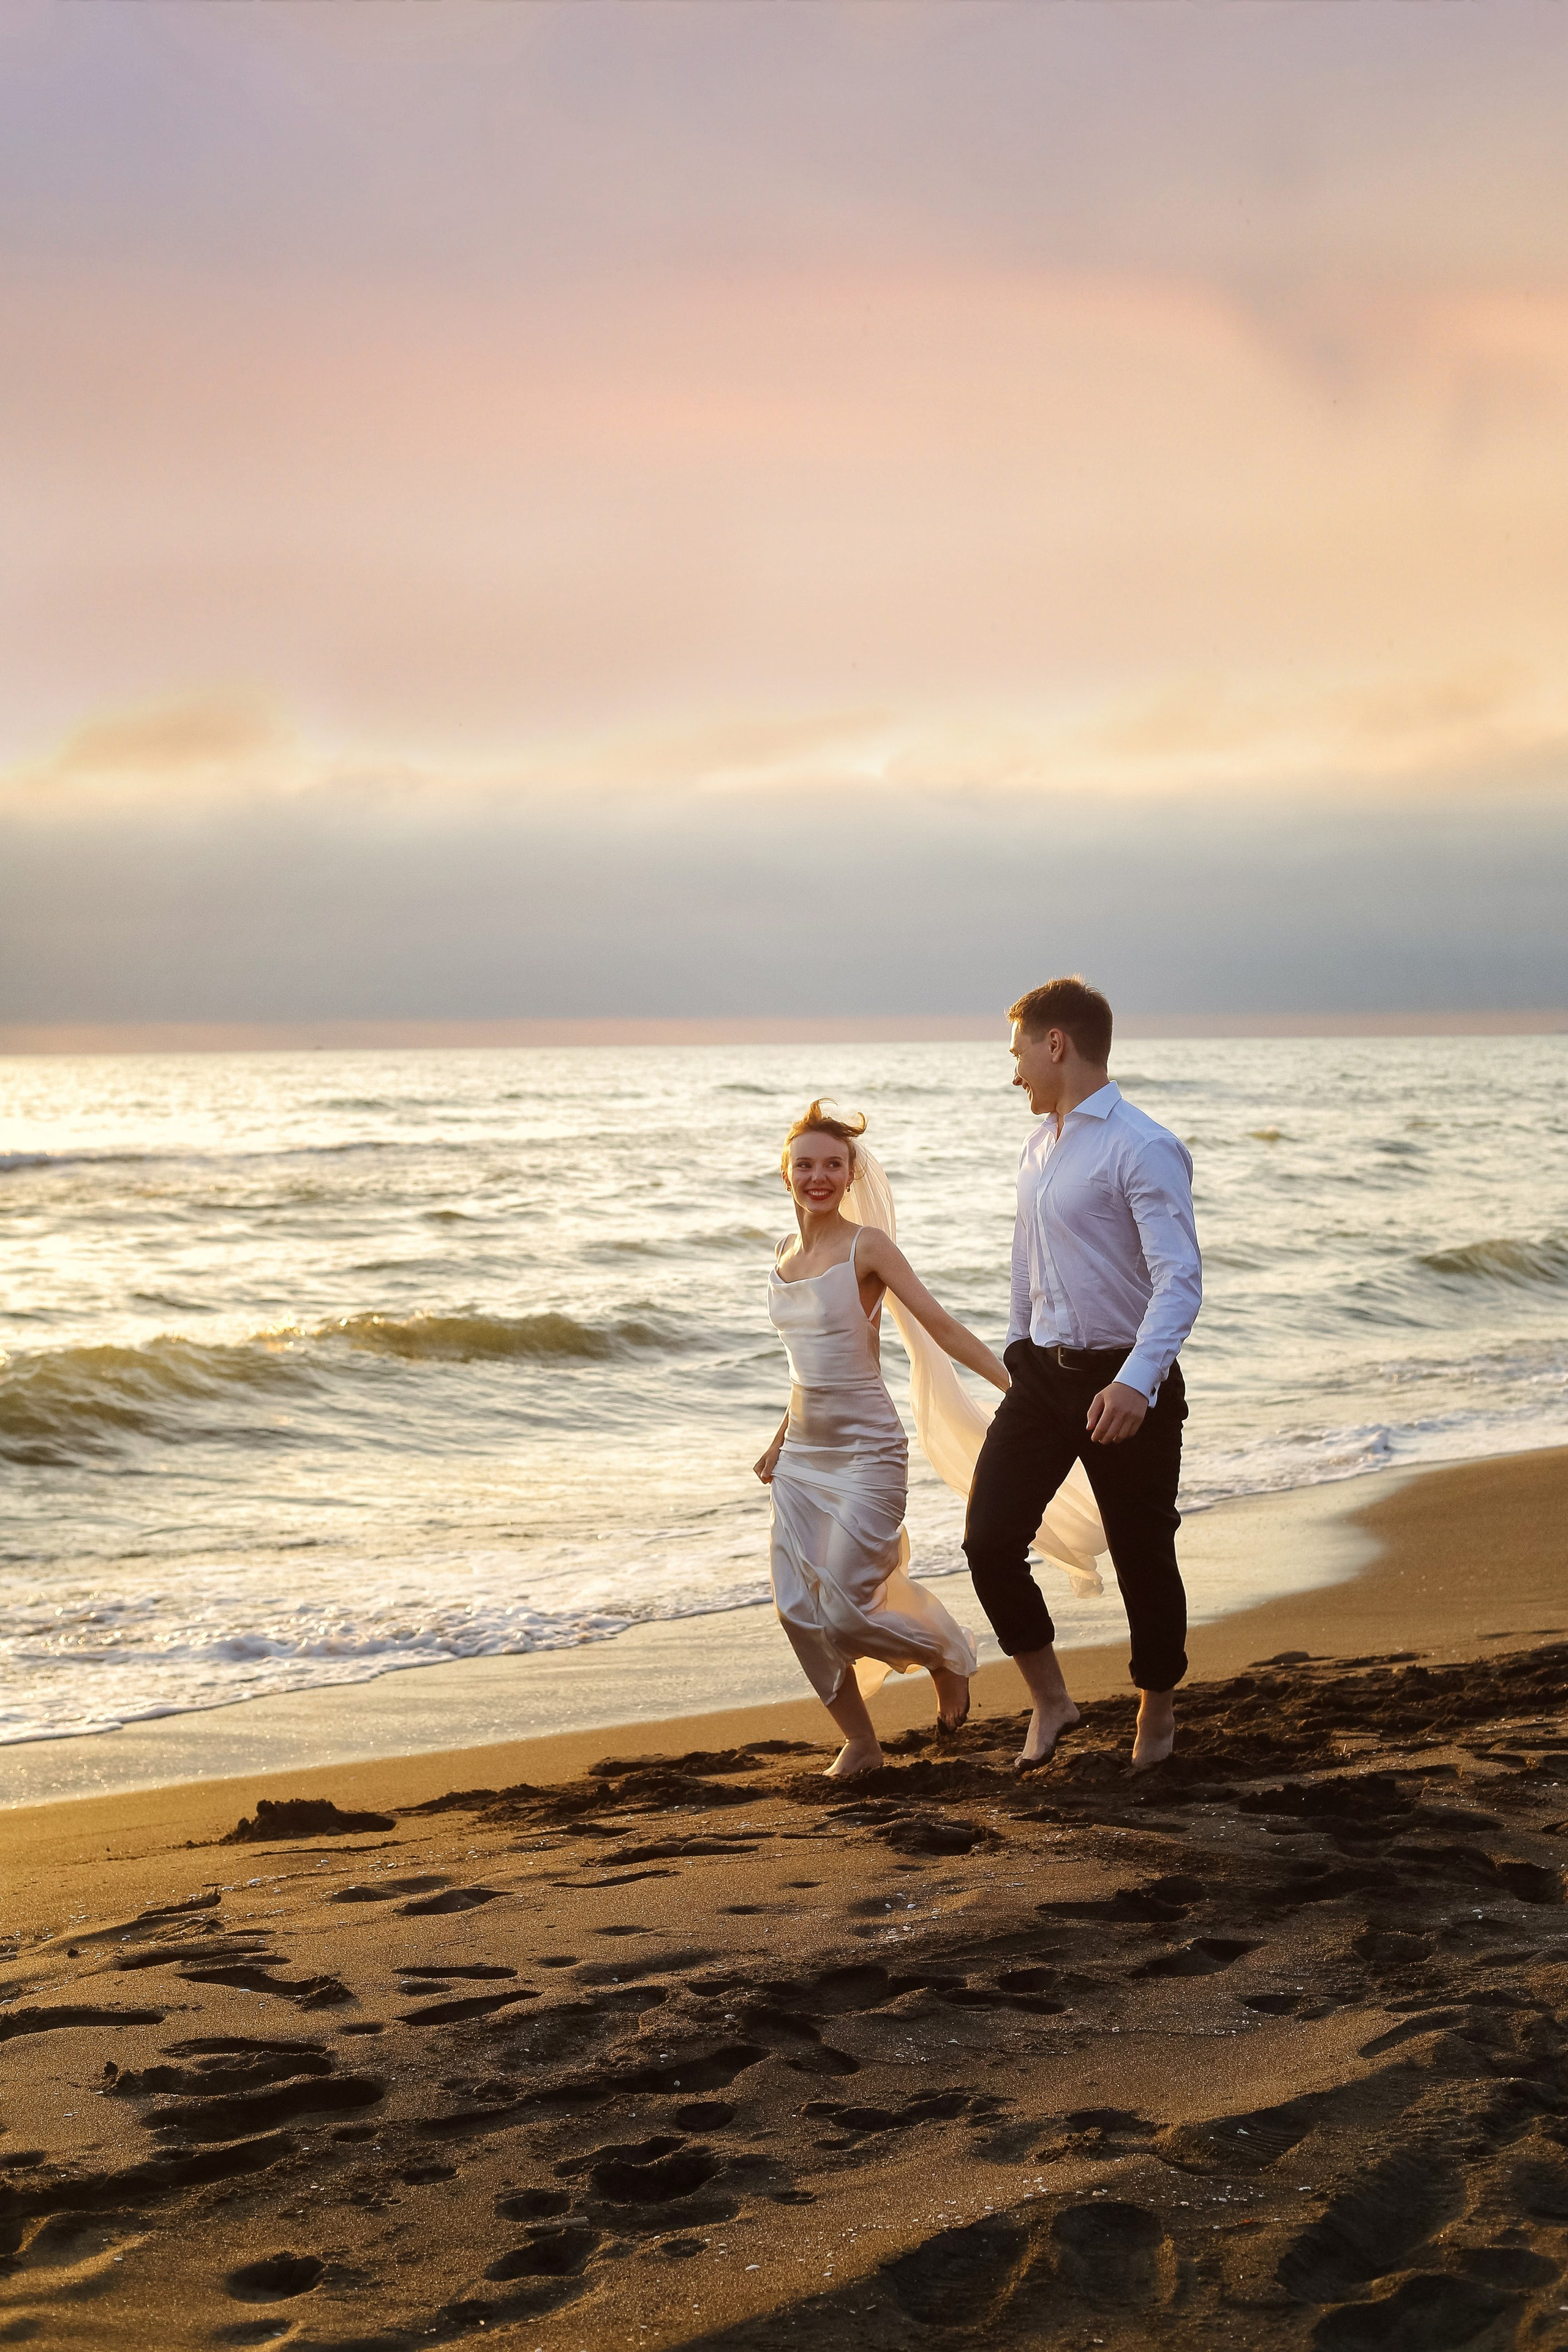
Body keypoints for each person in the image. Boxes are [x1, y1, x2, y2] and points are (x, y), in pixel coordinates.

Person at [963, 978, 1202, 1773]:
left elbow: (1179, 1281)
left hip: (1126, 1382)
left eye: (1018, 1052)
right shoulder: (1039, 1144)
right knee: (988, 1541)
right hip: (1042, 1379)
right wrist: (1016, 1346)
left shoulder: (1142, 1145)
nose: (1014, 1072)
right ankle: (1051, 1699)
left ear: (1055, 1044)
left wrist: (1136, 1382)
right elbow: (1025, 1258)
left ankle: (1157, 1707)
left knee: (1143, 1556)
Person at [753, 1101, 1022, 1779]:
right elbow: (808, 1367)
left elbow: (941, 1325)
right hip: (802, 1455)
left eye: (832, 1165)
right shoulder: (783, 1254)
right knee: (797, 1611)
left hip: (867, 1451)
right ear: (786, 1173)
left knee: (846, 1603)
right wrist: (779, 1439)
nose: (818, 1176)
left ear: (851, 1175)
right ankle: (862, 1743)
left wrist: (1016, 1386)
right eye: (805, 1165)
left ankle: (947, 1656)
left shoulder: (867, 1247)